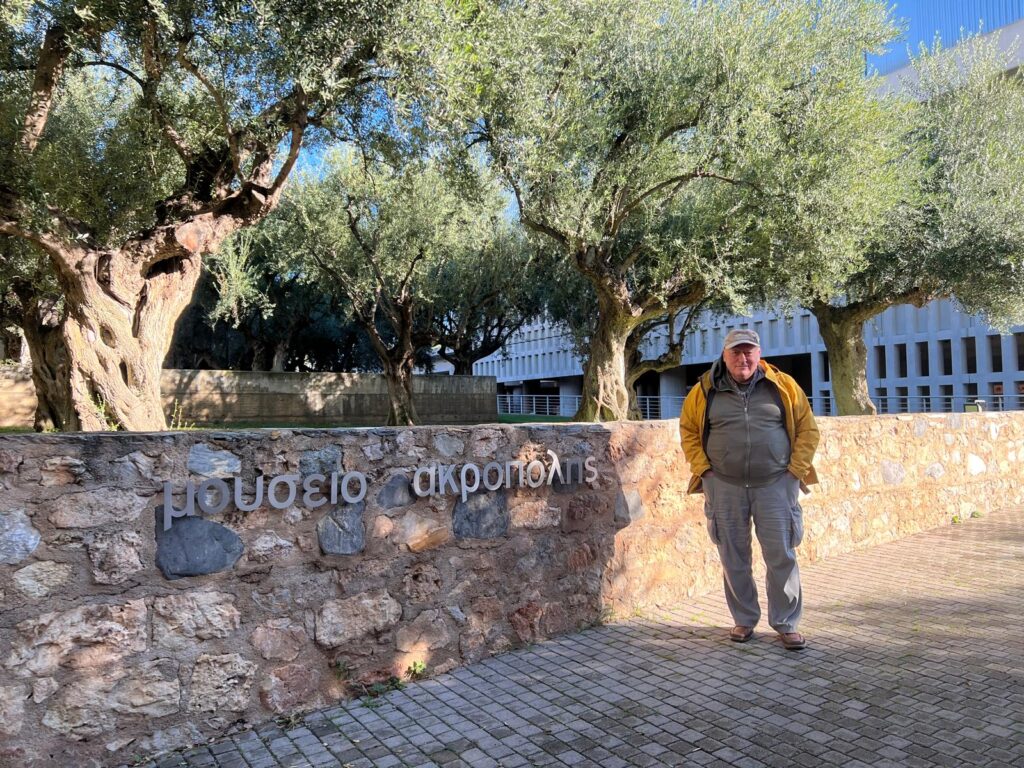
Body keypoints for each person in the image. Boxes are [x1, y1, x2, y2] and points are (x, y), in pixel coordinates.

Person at [679, 329, 819, 650]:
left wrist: (794, 472)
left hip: (775, 484)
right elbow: (688, 430)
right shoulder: (704, 390)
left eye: (749, 352)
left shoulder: (784, 386)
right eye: (736, 353)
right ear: (725, 355)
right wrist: (704, 470)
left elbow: (808, 430)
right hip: (724, 485)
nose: (743, 359)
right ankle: (744, 619)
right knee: (733, 556)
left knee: (781, 554)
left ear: (759, 353)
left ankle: (786, 623)